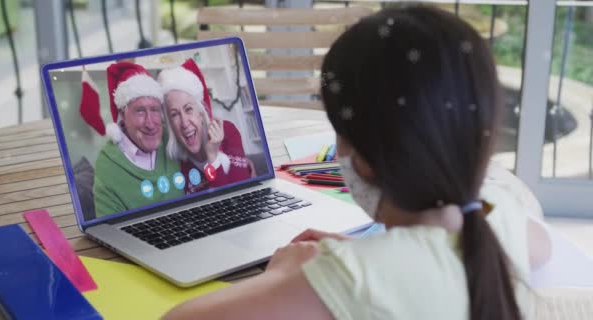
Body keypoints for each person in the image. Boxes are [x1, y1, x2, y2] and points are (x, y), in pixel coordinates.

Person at [162, 6, 551, 320]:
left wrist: (286, 275)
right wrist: (375, 252)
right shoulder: (501, 218)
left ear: (362, 161)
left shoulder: (349, 280)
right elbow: (539, 247)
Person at [93, 62, 184, 217]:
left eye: (154, 110)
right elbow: (110, 231)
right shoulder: (107, 164)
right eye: (140, 111)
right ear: (123, 114)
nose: (150, 123)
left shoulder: (171, 137)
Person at [157, 58, 254, 194]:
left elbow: (237, 198)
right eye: (174, 114)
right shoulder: (177, 164)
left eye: (188, 109)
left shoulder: (227, 131)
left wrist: (213, 157)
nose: (184, 123)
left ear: (201, 112)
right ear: (170, 124)